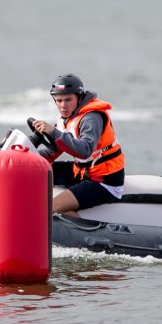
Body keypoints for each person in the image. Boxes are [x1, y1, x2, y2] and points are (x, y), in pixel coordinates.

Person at [33, 74, 125, 217]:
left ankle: (81, 235)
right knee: (39, 171)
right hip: (83, 172)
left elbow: (85, 150)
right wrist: (26, 158)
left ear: (79, 97)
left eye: (68, 100)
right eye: (59, 101)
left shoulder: (91, 117)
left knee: (49, 207)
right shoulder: (66, 119)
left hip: (104, 180)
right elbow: (53, 151)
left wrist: (53, 131)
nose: (63, 105)